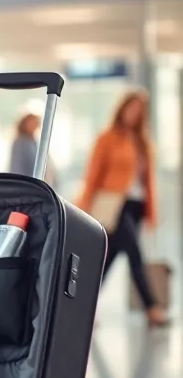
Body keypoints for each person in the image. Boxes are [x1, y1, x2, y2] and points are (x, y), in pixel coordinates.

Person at [77, 90, 169, 328]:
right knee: (135, 255)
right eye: (132, 108)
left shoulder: (142, 142)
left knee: (109, 259)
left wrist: (151, 214)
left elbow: (146, 182)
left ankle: (82, 306)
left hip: (136, 206)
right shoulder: (107, 138)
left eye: (139, 110)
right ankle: (151, 307)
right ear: (122, 108)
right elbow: (92, 176)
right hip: (115, 205)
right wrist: (84, 207)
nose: (134, 114)